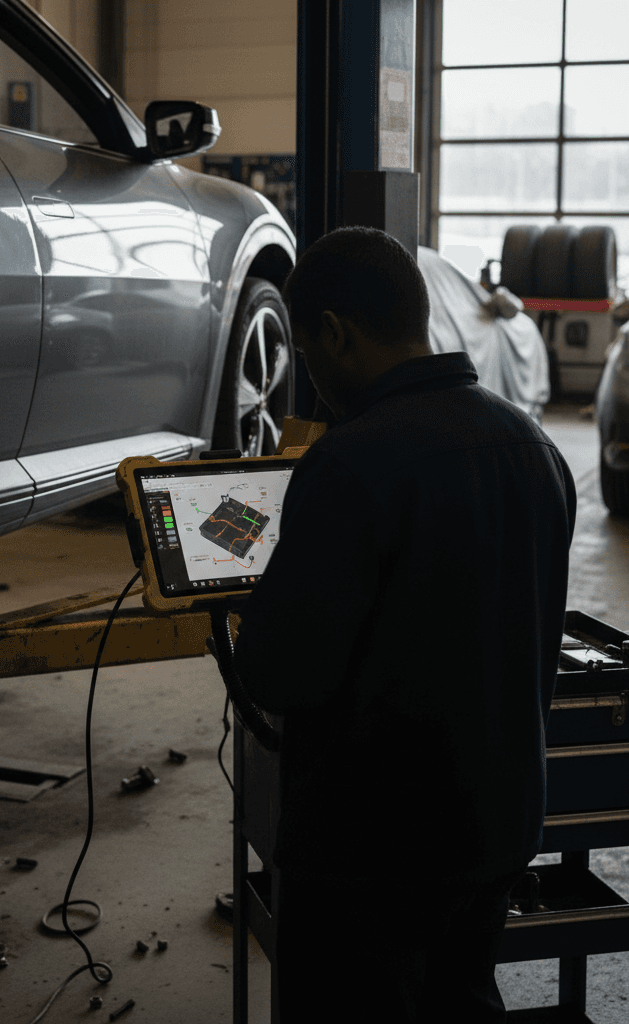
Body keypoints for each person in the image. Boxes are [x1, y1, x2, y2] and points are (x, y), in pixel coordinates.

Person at [231, 226, 577, 1022]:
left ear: (336, 334)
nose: (310, 380)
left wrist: (250, 617)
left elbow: (284, 673)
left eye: (310, 355)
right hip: (496, 828)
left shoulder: (351, 463)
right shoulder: (535, 447)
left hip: (370, 855)